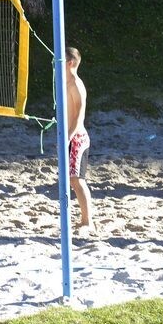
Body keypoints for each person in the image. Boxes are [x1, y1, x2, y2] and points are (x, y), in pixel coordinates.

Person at [64, 47, 95, 234]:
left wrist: (69, 136)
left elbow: (79, 116)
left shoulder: (76, 84)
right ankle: (84, 220)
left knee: (77, 180)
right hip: (69, 137)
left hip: (77, 138)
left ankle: (88, 222)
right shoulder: (65, 83)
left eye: (59, 60)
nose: (55, 63)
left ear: (69, 63)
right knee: (72, 180)